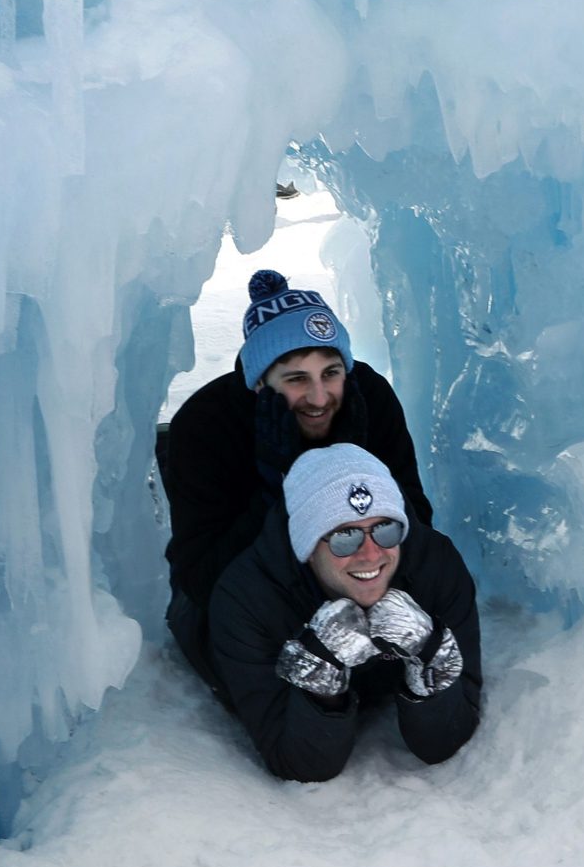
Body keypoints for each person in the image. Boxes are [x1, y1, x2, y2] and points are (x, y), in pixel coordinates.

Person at [159, 270, 431, 691]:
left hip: (354, 577)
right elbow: (202, 579)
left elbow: (418, 528)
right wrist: (280, 486)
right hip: (239, 600)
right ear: (260, 383)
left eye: (331, 373)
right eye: (296, 379)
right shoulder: (203, 424)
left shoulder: (368, 400)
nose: (320, 398)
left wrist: (350, 467)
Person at [207, 443, 482, 782]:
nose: (370, 554)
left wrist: (430, 657)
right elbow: (300, 763)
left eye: (385, 529)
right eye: (344, 536)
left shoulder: (436, 568)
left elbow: (444, 743)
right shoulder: (246, 601)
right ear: (308, 547)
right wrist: (320, 679)